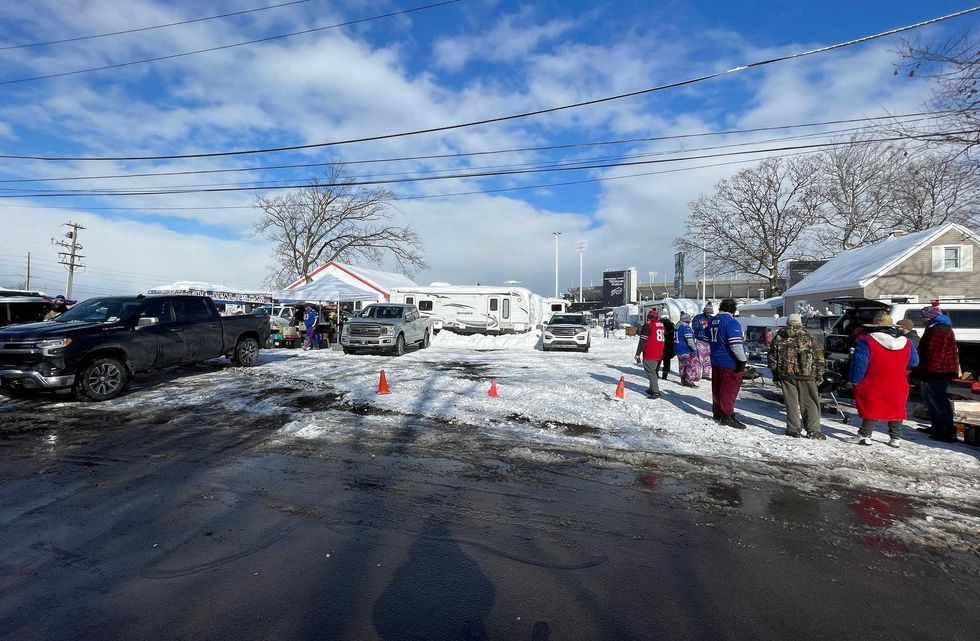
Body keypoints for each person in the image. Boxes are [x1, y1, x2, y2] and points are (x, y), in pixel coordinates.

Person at [849, 312, 919, 448]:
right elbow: (914, 362)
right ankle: (896, 438)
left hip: (873, 381)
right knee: (896, 408)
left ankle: (864, 435)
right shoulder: (907, 342)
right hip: (898, 382)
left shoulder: (867, 341)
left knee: (872, 407)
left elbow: (859, 364)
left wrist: (855, 380)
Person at [768, 313, 826, 439]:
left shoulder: (778, 338)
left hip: (787, 375)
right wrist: (819, 375)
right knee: (810, 403)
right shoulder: (810, 338)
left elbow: (772, 358)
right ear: (800, 323)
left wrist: (775, 375)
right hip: (807, 374)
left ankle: (793, 429)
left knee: (791, 403)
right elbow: (819, 358)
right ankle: (813, 430)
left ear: (787, 323)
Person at [913, 303, 960, 443]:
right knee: (930, 400)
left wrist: (929, 371)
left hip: (938, 371)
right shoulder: (934, 328)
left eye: (924, 316)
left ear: (931, 316)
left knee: (939, 401)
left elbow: (937, 354)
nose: (923, 319)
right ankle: (937, 427)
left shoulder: (940, 329)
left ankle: (948, 431)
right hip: (933, 370)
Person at [707, 298, 748, 429]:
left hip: (715, 359)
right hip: (729, 361)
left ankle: (717, 411)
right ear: (733, 310)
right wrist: (742, 360)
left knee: (717, 387)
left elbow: (705, 336)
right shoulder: (732, 322)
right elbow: (735, 344)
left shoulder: (712, 321)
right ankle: (727, 415)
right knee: (729, 389)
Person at [634, 309, 666, 399]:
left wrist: (637, 353)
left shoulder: (648, 325)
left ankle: (655, 391)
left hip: (650, 352)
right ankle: (651, 388)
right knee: (654, 371)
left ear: (649, 317)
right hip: (659, 352)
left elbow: (642, 341)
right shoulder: (661, 325)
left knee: (651, 372)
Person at [691, 302, 715, 381]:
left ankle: (706, 374)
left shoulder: (713, 319)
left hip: (710, 341)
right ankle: (697, 374)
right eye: (707, 312)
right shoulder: (698, 318)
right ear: (705, 311)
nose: (709, 314)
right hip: (700, 340)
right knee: (699, 358)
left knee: (708, 359)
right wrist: (705, 328)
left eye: (710, 312)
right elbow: (695, 326)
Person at [674, 312, 699, 387]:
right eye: (689, 320)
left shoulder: (677, 326)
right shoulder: (686, 327)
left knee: (682, 365)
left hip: (677, 349)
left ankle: (683, 380)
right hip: (685, 349)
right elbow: (690, 340)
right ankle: (689, 380)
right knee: (690, 365)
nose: (690, 321)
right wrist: (694, 349)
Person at [660, 312, 676, 381]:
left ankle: (655, 373)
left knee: (658, 359)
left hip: (660, 343)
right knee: (667, 361)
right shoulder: (671, 325)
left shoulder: (659, 324)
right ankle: (665, 375)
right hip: (669, 344)